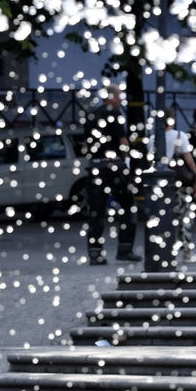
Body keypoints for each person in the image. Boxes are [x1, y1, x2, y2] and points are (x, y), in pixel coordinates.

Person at [82, 86, 138, 266]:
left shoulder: (91, 114)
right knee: (129, 206)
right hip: (112, 166)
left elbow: (86, 143)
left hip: (95, 166)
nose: (122, 99)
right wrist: (124, 160)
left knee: (96, 212)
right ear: (112, 97)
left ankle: (95, 254)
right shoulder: (114, 113)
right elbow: (122, 141)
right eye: (120, 95)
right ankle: (125, 249)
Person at [164, 108, 196, 264]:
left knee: (164, 217)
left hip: (162, 183)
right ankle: (187, 252)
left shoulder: (153, 138)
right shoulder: (180, 136)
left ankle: (164, 252)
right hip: (180, 181)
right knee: (184, 216)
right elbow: (189, 160)